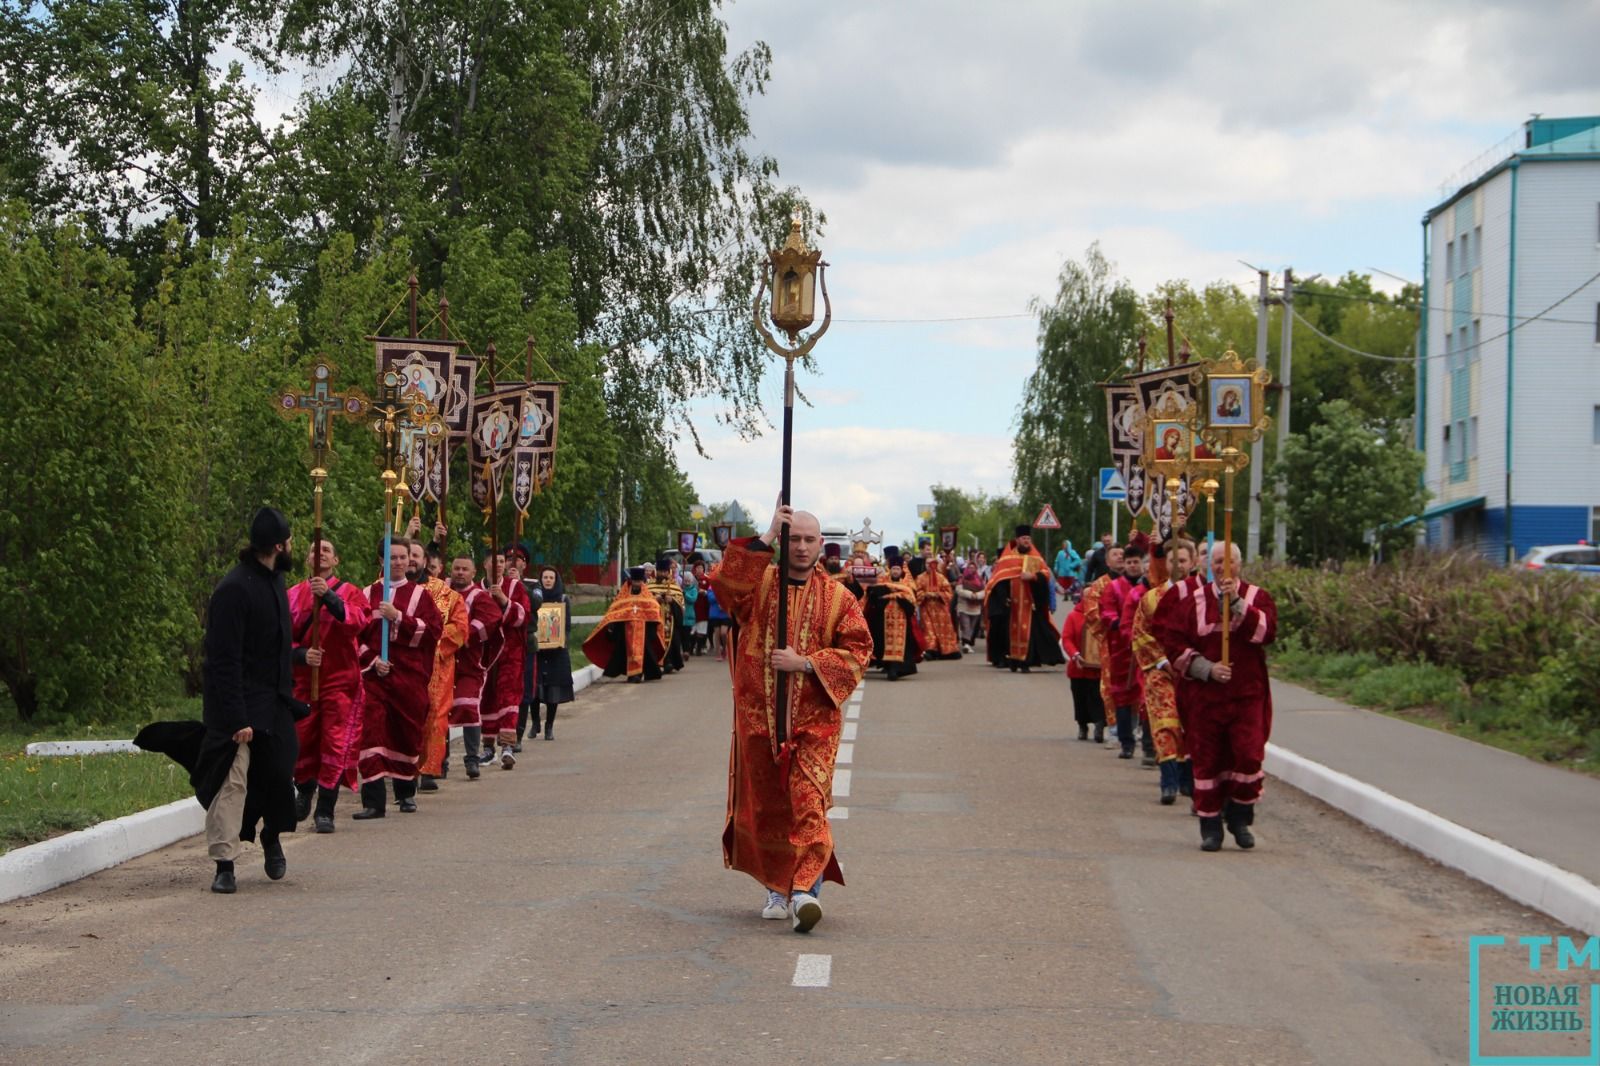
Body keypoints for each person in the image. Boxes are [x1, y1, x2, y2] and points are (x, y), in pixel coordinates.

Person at [711, 501, 872, 933]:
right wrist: (763, 538)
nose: (800, 547)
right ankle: (775, 887)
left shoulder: (840, 598)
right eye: (793, 538)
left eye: (808, 539)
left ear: (821, 545)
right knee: (769, 807)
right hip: (759, 717)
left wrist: (805, 664)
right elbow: (725, 589)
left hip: (814, 723)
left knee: (807, 802)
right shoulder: (760, 586)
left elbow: (859, 651)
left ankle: (804, 891)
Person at [136, 508, 307, 893]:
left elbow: (276, 648)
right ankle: (224, 864)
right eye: (291, 541)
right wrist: (235, 717)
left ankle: (271, 836)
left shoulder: (277, 582)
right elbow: (222, 661)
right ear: (279, 545)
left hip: (275, 701)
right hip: (238, 706)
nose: (293, 546)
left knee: (279, 776)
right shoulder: (234, 589)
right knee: (233, 783)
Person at [1154, 541, 1277, 851]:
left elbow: (1266, 632)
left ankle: (1239, 815)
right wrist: (1205, 668)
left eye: (1228, 562)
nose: (1222, 567)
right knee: (1207, 761)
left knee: (1248, 755)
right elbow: (1173, 642)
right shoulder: (1192, 601)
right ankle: (1210, 827)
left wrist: (1235, 603)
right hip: (1205, 698)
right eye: (1217, 562)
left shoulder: (1256, 597)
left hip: (1246, 695)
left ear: (1238, 565)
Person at [352, 538, 442, 818]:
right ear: (382, 561)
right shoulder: (367, 594)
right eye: (392, 558)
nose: (400, 562)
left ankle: (405, 793)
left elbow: (433, 631)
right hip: (375, 677)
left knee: (406, 731)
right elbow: (355, 636)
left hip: (408, 677)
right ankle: (373, 801)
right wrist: (372, 660)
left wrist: (399, 617)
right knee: (372, 731)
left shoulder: (420, 595)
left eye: (404, 557)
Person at [287, 536, 370, 832]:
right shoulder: (292, 595)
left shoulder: (350, 592)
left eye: (326, 550)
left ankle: (326, 810)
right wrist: (299, 654)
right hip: (303, 683)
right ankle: (305, 789)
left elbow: (360, 622)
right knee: (301, 741)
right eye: (314, 550)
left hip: (340, 683)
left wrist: (331, 599)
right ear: (307, 559)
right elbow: (279, 639)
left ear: (336, 560)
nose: (319, 553)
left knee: (334, 744)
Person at [1133, 538, 1196, 804]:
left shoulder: (1201, 596)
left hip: (1193, 673)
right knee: (1165, 724)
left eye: (1182, 561)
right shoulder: (1151, 598)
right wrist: (1161, 661)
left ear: (1192, 563)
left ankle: (1188, 780)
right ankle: (1168, 781)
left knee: (1190, 727)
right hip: (1160, 671)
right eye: (1173, 561)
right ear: (1165, 564)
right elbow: (1140, 634)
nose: (1178, 566)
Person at [417, 532, 466, 790]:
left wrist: (433, 643)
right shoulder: (390, 589)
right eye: (406, 556)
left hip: (437, 666)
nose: (410, 561)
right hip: (403, 664)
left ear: (425, 561)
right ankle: (403, 767)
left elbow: (459, 628)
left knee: (435, 716)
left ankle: (429, 769)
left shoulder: (447, 595)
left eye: (416, 556)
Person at [983, 525, 1066, 673]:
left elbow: (1046, 574)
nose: (1026, 541)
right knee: (1011, 632)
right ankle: (1014, 660)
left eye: (1028, 538)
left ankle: (1026, 661)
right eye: (1023, 538)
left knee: (1029, 632)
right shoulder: (1008, 557)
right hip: (1013, 604)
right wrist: (1004, 598)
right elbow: (999, 579)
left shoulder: (1035, 556)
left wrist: (1033, 576)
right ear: (1017, 540)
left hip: (1030, 603)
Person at [447, 554, 502, 779]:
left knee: (468, 706)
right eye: (456, 568)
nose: (460, 572)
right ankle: (439, 762)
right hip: (442, 663)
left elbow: (491, 618)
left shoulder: (478, 596)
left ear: (472, 573)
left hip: (468, 664)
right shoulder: (441, 592)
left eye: (464, 569)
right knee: (438, 713)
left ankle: (471, 759)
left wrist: (463, 634)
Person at [480, 548, 532, 769]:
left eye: (501, 561)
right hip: (484, 653)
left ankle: (508, 746)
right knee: (486, 698)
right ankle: (488, 747)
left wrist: (504, 601)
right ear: (484, 565)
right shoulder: (477, 589)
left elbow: (524, 616)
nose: (498, 565)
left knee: (509, 696)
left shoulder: (514, 587)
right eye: (494, 561)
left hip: (511, 653)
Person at [1102, 537, 1150, 761]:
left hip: (1146, 648)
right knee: (1122, 695)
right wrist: (1117, 623)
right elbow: (1107, 611)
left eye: (1136, 562)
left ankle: (1149, 744)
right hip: (1121, 649)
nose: (1132, 565)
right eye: (1129, 562)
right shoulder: (1113, 587)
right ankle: (1126, 742)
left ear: (1142, 563)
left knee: (1146, 696)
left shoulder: (1149, 587)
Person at [582, 568, 666, 682]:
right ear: (631, 581)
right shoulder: (624, 594)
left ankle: (645, 673)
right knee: (626, 651)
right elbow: (614, 609)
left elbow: (654, 608)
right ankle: (633, 675)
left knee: (646, 652)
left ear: (642, 581)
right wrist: (611, 626)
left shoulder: (647, 594)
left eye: (639, 581)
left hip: (643, 629)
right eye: (635, 581)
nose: (637, 584)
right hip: (626, 629)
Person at [1081, 543, 1124, 741]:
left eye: (1122, 554)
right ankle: (1113, 726)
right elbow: (1091, 613)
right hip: (1111, 641)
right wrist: (1110, 630)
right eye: (1115, 554)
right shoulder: (1099, 585)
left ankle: (1133, 726)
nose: (1120, 557)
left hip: (1134, 642)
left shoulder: (1137, 582)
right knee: (1110, 684)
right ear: (1107, 561)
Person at [531, 565, 575, 740]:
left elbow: (567, 626)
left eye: (551, 578)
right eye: (545, 577)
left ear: (556, 581)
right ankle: (535, 723)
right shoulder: (534, 598)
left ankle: (549, 726)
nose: (548, 580)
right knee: (534, 689)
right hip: (537, 651)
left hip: (557, 652)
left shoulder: (563, 600)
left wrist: (561, 641)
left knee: (553, 691)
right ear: (540, 580)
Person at [865, 549, 921, 680]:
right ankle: (888, 666)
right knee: (883, 643)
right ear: (890, 570)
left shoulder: (906, 586)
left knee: (901, 645)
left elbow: (911, 604)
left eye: (898, 569)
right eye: (894, 569)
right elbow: (874, 599)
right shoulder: (882, 583)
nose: (896, 571)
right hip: (884, 620)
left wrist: (897, 597)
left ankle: (897, 669)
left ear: (901, 571)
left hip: (901, 621)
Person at [1059, 596, 1104, 742]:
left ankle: (1099, 726)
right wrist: (1075, 654)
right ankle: (1082, 726)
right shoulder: (1074, 616)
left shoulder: (1103, 616)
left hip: (1098, 669)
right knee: (1080, 698)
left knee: (1098, 699)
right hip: (1078, 668)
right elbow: (1067, 638)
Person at [914, 556, 962, 659]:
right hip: (926, 608)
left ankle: (947, 651)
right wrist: (925, 594)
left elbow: (948, 592)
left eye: (931, 563)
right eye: (927, 563)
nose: (929, 566)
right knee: (929, 630)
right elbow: (916, 592)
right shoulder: (920, 578)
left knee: (943, 630)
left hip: (941, 609)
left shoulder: (941, 578)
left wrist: (938, 594)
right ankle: (931, 650)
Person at [649, 556, 687, 674]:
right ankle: (657, 662)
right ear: (656, 571)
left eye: (665, 571)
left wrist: (672, 601)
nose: (663, 574)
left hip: (670, 619)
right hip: (655, 618)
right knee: (655, 640)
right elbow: (645, 601)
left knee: (672, 640)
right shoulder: (649, 586)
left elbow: (681, 603)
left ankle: (669, 663)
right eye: (660, 571)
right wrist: (656, 599)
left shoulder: (674, 586)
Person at [954, 564, 985, 653]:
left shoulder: (979, 579)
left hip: (976, 607)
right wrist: (970, 594)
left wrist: (977, 595)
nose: (972, 569)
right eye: (970, 567)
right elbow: (959, 590)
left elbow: (984, 590)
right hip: (964, 606)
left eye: (973, 567)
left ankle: (968, 643)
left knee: (972, 626)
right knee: (965, 625)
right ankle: (966, 643)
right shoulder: (962, 579)